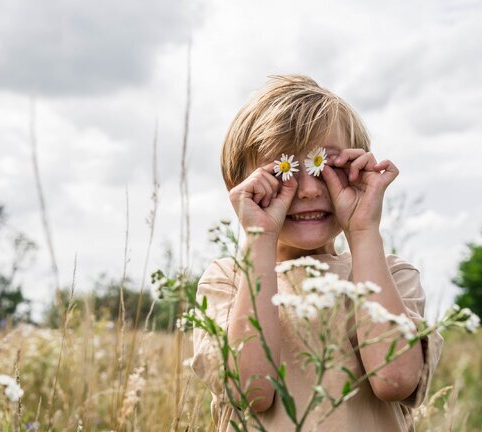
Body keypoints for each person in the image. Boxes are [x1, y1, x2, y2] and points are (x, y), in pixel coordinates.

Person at [189, 75, 443, 431]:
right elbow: (252, 393)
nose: (307, 189)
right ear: (240, 186)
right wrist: (260, 237)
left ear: (357, 170)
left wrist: (363, 230)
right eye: (282, 169)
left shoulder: (392, 276)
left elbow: (394, 380)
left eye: (324, 165)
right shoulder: (228, 281)